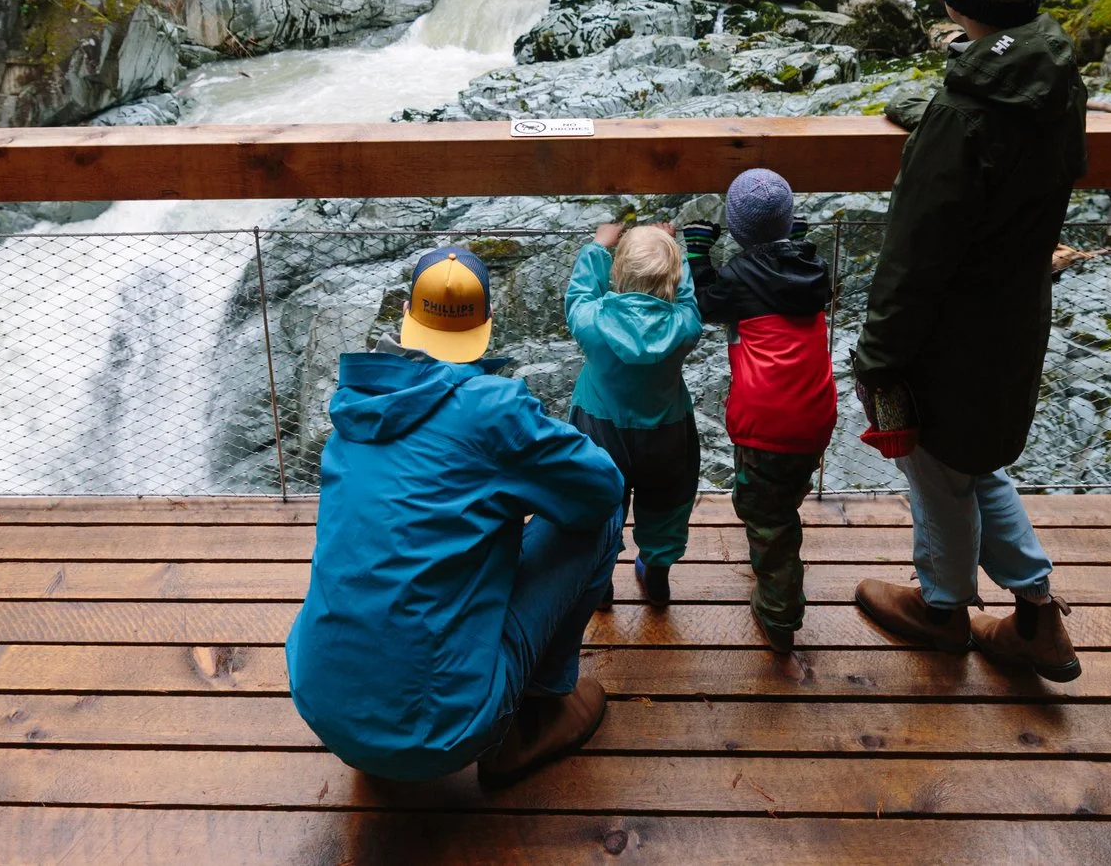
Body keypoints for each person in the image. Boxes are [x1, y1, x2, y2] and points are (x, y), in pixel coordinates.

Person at [851, 0, 1090, 681]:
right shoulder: (1055, 74)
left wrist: (877, 356)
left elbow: (913, 255)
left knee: (937, 472)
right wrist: (934, 117)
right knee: (977, 465)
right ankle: (1037, 613)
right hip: (1016, 319)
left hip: (949, 341)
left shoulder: (967, 117)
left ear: (957, 1)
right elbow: (1008, 146)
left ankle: (943, 608)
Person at [287, 245, 625, 788]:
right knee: (602, 520)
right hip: (445, 731)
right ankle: (532, 718)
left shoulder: (355, 401)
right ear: (486, 326)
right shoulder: (493, 409)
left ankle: (374, 732)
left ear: (407, 315)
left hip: (325, 709)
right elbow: (602, 487)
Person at [684, 168, 836, 653]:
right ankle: (775, 556)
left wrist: (695, 251)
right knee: (783, 493)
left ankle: (779, 613)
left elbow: (705, 301)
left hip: (766, 422)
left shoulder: (738, 281)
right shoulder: (812, 269)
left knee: (763, 512)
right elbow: (778, 260)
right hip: (814, 415)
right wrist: (789, 237)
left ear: (736, 228)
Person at [565, 220, 703, 604]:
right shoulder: (685, 326)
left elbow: (578, 295)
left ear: (617, 274)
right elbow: (689, 297)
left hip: (600, 431)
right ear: (672, 281)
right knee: (666, 506)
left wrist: (597, 247)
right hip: (667, 434)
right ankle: (656, 575)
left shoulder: (592, 323)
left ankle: (601, 585)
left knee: (600, 506)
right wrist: (679, 252)